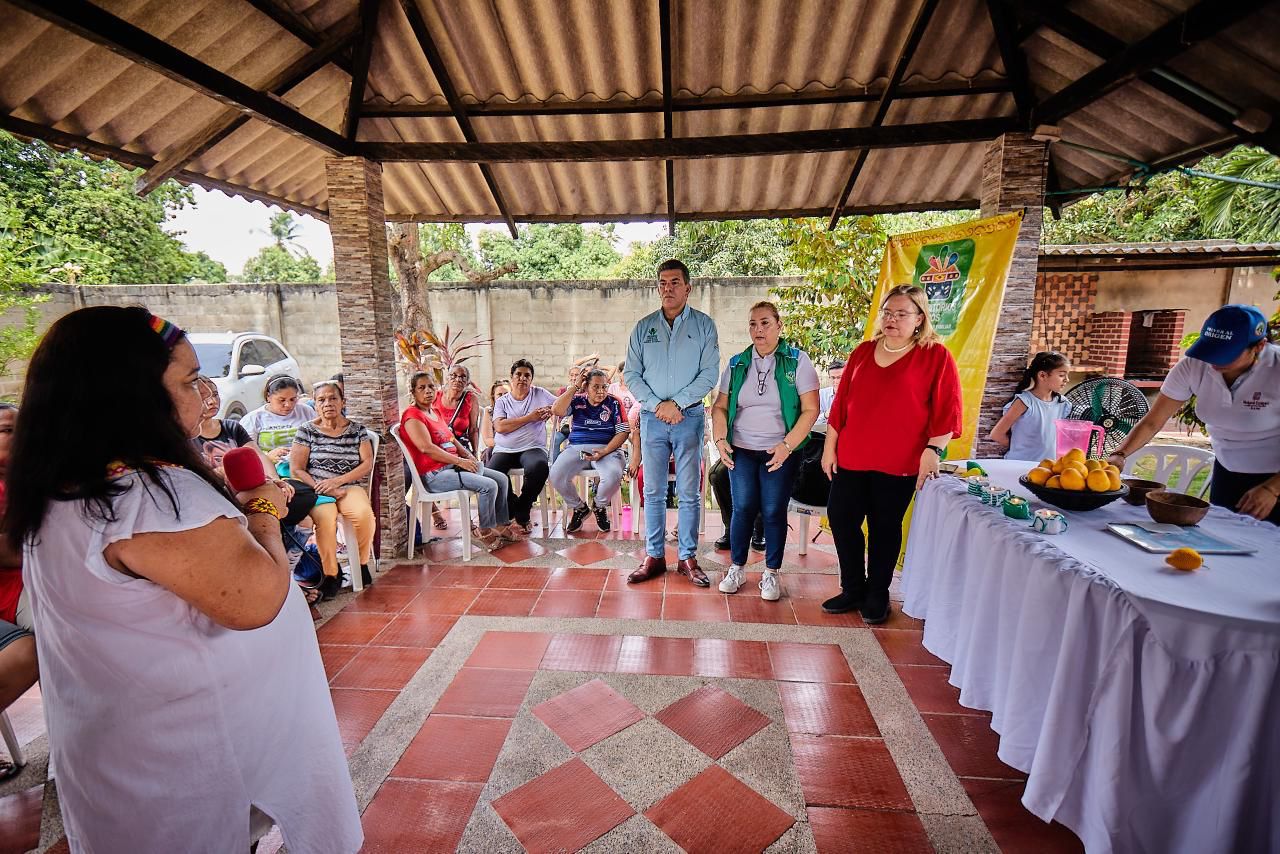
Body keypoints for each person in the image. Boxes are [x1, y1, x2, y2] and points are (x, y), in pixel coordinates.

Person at [4, 306, 360, 852]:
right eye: (191, 381)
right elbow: (258, 599)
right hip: (180, 750)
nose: (206, 396)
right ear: (127, 395)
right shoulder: (147, 499)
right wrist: (263, 509)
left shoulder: (67, 482)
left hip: (125, 736)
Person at [821, 285, 963, 623]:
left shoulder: (935, 356)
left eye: (902, 313)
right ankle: (852, 587)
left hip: (899, 463)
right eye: (887, 312)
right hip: (852, 457)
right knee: (842, 519)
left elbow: (947, 411)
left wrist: (933, 449)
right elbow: (841, 407)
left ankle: (877, 594)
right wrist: (830, 448)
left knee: (884, 527)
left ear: (919, 319)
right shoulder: (863, 352)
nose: (892, 319)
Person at [1107, 304, 1280, 524]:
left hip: (1274, 473)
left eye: (1226, 354)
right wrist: (1120, 454)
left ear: (1259, 346)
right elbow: (1153, 421)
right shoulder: (1193, 366)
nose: (1215, 361)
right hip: (1227, 467)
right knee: (1225, 535)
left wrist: (1272, 489)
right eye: (1211, 351)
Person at [711, 302, 820, 601]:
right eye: (753, 324)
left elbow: (811, 410)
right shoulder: (736, 363)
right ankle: (737, 567)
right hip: (742, 448)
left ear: (779, 325)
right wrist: (721, 441)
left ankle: (771, 573)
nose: (758, 330)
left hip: (780, 450)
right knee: (742, 508)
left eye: (765, 323)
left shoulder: (798, 361)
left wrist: (787, 446)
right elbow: (719, 407)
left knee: (773, 510)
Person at [624, 259, 720, 587]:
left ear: (687, 288)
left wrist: (676, 403)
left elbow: (710, 373)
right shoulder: (643, 327)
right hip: (652, 419)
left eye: (675, 282)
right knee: (653, 490)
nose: (668, 288)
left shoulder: (704, 326)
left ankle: (687, 558)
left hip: (689, 416)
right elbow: (631, 374)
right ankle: (653, 556)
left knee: (689, 491)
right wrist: (657, 405)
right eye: (663, 283)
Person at [400, 372, 520, 549]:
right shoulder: (413, 416)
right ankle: (485, 530)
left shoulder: (434, 411)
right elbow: (427, 448)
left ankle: (500, 524)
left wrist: (468, 455)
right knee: (489, 486)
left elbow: (451, 439)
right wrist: (460, 462)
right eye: (422, 387)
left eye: (431, 386)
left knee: (501, 479)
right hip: (434, 475)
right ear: (413, 392)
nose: (428, 391)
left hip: (451, 466)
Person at [289, 381, 376, 598]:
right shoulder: (307, 430)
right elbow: (296, 469)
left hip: (348, 486)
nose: (328, 403)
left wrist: (337, 482)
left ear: (342, 402)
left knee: (363, 515)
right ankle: (331, 574)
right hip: (316, 490)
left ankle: (362, 565)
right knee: (325, 520)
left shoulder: (357, 430)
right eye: (322, 400)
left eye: (333, 398)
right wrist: (322, 487)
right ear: (315, 405)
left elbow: (367, 463)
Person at [0, 402, 37, 782]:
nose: (16, 436)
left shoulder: (32, 478)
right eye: (5, 429)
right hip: (16, 592)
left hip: (42, 577)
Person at [549, 369, 631, 533]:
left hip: (608, 449)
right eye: (596, 387)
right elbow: (557, 410)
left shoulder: (614, 403)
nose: (601, 391)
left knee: (614, 474)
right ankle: (579, 508)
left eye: (604, 387)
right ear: (586, 387)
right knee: (556, 475)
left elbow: (623, 432)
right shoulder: (577, 400)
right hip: (577, 448)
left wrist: (605, 450)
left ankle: (599, 506)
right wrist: (575, 387)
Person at [489, 359, 557, 531]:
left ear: (531, 379)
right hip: (505, 449)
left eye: (527, 375)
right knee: (492, 474)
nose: (522, 378)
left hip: (533, 447)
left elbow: (561, 406)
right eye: (518, 374)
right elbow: (500, 427)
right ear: (511, 378)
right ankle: (513, 504)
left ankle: (523, 507)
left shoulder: (539, 394)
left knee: (540, 466)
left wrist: (553, 409)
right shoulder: (502, 402)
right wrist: (530, 418)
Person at [989, 351, 1072, 461]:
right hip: (1018, 467)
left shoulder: (1063, 404)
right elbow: (997, 434)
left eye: (1067, 375)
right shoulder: (1024, 402)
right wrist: (1020, 448)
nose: (1067, 379)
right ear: (1042, 375)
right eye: (1061, 375)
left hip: (1047, 469)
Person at [239, 374, 317, 470]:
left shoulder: (306, 411)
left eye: (293, 399)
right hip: (268, 470)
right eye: (281, 400)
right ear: (268, 397)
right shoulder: (253, 419)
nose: (288, 405)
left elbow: (318, 439)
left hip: (305, 467)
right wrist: (268, 457)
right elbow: (246, 454)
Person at [479, 379, 510, 464]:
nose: (503, 397)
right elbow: (488, 440)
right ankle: (497, 477)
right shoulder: (489, 411)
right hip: (495, 447)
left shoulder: (517, 412)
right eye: (499, 394)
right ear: (494, 397)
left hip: (514, 449)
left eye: (506, 394)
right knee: (491, 451)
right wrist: (506, 444)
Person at [815, 359, 845, 427]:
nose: (836, 381)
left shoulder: (856, 395)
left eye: (840, 377)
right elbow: (812, 422)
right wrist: (825, 415)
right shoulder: (821, 394)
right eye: (833, 378)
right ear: (829, 378)